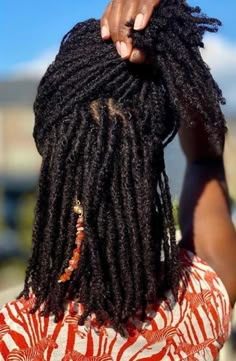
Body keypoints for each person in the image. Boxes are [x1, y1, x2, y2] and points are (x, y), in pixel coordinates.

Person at [0, 0, 236, 360]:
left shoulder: (13, 338)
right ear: (149, 164)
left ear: (52, 162)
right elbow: (206, 160)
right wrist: (174, 45)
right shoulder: (201, 300)